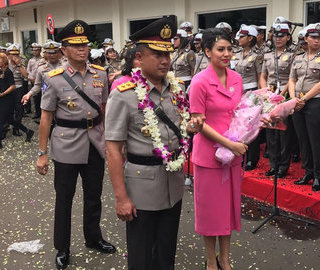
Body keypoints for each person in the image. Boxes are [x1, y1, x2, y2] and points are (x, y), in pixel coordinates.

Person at [104, 18, 201, 270]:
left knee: (166, 251)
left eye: (167, 53)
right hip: (141, 187)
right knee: (141, 255)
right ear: (138, 58)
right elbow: (113, 149)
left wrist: (190, 128)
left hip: (173, 183)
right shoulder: (123, 94)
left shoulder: (176, 89)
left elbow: (179, 130)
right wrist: (120, 197)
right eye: (156, 54)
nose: (164, 60)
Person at [36, 20, 116, 269]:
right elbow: (46, 117)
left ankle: (93, 238)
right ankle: (62, 247)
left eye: (85, 45)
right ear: (64, 49)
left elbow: (103, 110)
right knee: (64, 199)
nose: (82, 49)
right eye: (75, 45)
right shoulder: (54, 78)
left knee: (94, 196)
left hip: (94, 142)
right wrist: (42, 153)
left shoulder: (100, 74)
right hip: (66, 143)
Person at [188, 27, 247, 270]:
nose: (226, 54)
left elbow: (241, 114)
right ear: (207, 51)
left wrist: (262, 118)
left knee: (229, 211)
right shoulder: (200, 81)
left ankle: (225, 258)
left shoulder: (236, 78)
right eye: (220, 49)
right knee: (211, 212)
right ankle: (211, 260)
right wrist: (229, 144)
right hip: (209, 157)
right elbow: (199, 122)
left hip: (232, 157)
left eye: (229, 49)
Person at [288, 23, 320, 191]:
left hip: (315, 102)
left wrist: (304, 98)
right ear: (306, 38)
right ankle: (307, 172)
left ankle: (318, 175)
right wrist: (293, 98)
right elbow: (292, 79)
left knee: (316, 140)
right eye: (313, 37)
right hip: (297, 102)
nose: (316, 40)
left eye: (319, 38)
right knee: (302, 139)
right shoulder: (298, 57)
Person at [258, 23, 295, 178]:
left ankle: (283, 166)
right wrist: (266, 92)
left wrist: (282, 94)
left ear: (288, 37)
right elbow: (263, 76)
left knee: (284, 133)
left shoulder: (293, 54)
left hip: (284, 95)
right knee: (271, 133)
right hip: (270, 95)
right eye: (275, 36)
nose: (278, 39)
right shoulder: (267, 54)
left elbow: (293, 78)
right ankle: (273, 164)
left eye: (281, 36)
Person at [0, 53, 34, 150]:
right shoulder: (0, 71)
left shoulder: (8, 71)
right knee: (9, 120)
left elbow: (13, 86)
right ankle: (28, 131)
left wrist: (2, 94)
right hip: (2, 98)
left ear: (4, 61)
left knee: (0, 120)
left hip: (8, 99)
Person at [233, 24, 263, 170]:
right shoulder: (236, 54)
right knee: (239, 125)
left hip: (251, 92)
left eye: (242, 36)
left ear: (250, 38)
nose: (239, 38)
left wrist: (258, 96)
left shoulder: (257, 55)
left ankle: (252, 158)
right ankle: (241, 154)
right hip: (237, 92)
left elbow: (259, 76)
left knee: (251, 126)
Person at [21, 41, 63, 106]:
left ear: (59, 53)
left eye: (54, 52)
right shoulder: (41, 69)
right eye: (49, 53)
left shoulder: (66, 66)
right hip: (48, 100)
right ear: (45, 53)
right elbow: (37, 85)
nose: (52, 55)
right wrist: (29, 94)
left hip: (63, 99)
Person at [7, 44, 29, 136]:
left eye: (17, 54)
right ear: (9, 55)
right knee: (8, 109)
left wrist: (19, 64)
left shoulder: (21, 62)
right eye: (13, 54)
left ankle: (16, 128)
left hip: (18, 88)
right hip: (8, 88)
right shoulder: (5, 63)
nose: (15, 57)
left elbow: (25, 76)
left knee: (18, 110)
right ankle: (6, 126)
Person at [27, 42, 43, 119]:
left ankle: (43, 112)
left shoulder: (43, 60)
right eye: (33, 50)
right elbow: (28, 70)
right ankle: (37, 112)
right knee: (35, 97)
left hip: (41, 82)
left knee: (42, 97)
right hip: (33, 81)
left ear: (40, 50)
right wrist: (30, 78)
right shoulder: (31, 60)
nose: (35, 52)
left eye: (36, 50)